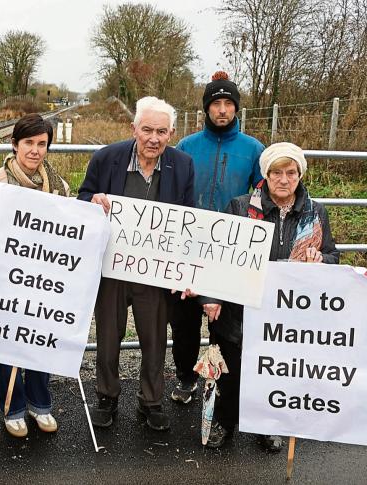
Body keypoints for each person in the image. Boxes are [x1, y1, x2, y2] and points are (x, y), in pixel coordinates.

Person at [201, 142, 339, 451]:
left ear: (300, 175)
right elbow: (216, 258)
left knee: (275, 372)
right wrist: (210, 297)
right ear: (266, 175)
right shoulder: (240, 207)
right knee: (232, 372)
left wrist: (321, 259)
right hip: (240, 310)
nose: (284, 179)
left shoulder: (316, 213)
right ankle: (224, 422)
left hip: (286, 316)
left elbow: (333, 257)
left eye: (291, 172)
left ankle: (268, 424)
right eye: (277, 172)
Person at [77, 96, 194, 432]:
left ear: (171, 132)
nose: (153, 138)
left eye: (161, 131)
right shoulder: (106, 158)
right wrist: (92, 200)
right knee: (109, 336)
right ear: (134, 129)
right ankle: (107, 396)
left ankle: (151, 400)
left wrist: (183, 268)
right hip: (111, 266)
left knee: (155, 337)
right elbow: (83, 196)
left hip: (154, 270)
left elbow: (187, 217)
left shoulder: (182, 165)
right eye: (147, 130)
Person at [0, 113, 70, 438]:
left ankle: (40, 404)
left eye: (42, 144)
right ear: (15, 144)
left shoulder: (58, 187)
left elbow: (67, 233)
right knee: (7, 345)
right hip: (5, 281)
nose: (35, 150)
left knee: (39, 341)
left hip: (43, 283)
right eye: (29, 142)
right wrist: (1, 258)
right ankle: (12, 407)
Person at [169, 71, 265, 404]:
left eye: (228, 103)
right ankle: (185, 378)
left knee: (224, 326)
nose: (222, 110)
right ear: (206, 108)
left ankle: (222, 387)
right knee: (183, 322)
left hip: (229, 251)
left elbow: (261, 198)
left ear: (236, 108)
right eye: (216, 103)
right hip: (188, 246)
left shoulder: (253, 149)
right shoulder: (186, 146)